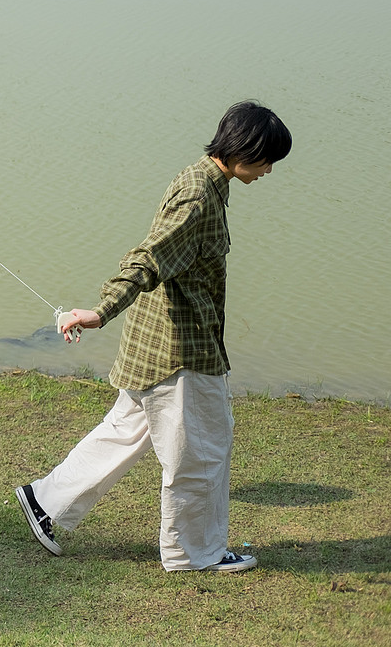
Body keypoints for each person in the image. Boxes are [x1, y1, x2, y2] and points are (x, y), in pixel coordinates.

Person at [15, 100, 292, 573]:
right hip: (180, 352)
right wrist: (98, 312)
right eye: (268, 160)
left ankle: (45, 500)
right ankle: (192, 553)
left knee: (126, 432)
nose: (269, 170)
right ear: (245, 149)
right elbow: (148, 258)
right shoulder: (199, 196)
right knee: (202, 450)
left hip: (156, 344)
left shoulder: (205, 181)